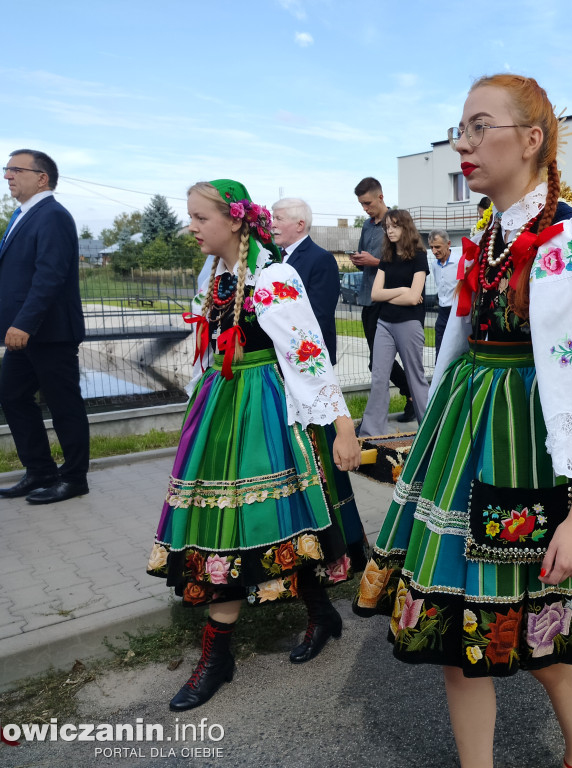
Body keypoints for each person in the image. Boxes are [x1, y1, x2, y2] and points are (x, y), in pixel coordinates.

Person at [354, 74, 572, 768]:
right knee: (460, 646)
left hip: (534, 451)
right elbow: (460, 346)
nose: (463, 145)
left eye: (478, 127)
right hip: (468, 444)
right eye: (459, 130)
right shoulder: (484, 237)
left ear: (531, 140)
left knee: (543, 643)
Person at [147, 180, 364, 711]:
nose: (191, 227)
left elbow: (308, 355)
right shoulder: (215, 275)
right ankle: (289, 626)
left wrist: (342, 426)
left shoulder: (274, 277)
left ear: (236, 221)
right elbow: (209, 347)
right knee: (251, 522)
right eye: (191, 217)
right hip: (221, 406)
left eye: (200, 217)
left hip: (266, 409)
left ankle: (232, 651)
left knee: (276, 519)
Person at [0, 149, 89, 505]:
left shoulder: (52, 216)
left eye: (15, 169)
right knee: (12, 395)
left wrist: (23, 323)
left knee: (64, 405)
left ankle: (75, 477)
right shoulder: (25, 214)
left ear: (42, 178)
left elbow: (50, 276)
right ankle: (41, 471)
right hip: (26, 333)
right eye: (7, 169)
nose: (7, 176)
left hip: (48, 333)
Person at [358, 210, 430, 436]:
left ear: (405, 228)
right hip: (385, 323)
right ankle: (371, 433)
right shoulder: (386, 258)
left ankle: (428, 429)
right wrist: (401, 290)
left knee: (414, 377)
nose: (389, 230)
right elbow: (375, 295)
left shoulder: (419, 256)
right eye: (387, 227)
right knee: (379, 377)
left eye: (394, 226)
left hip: (409, 323)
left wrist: (401, 294)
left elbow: (413, 298)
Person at [351, 178, 415, 423]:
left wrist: (375, 262)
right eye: (361, 204)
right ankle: (411, 395)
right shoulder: (367, 226)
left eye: (367, 203)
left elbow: (407, 261)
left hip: (388, 300)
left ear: (380, 197)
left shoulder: (397, 223)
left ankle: (411, 396)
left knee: (377, 362)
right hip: (367, 299)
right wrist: (360, 261)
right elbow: (365, 257)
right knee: (376, 362)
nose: (365, 208)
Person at [272, 197, 340, 364]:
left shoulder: (321, 259)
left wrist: (298, 354)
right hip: (281, 352)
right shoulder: (276, 258)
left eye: (279, 219)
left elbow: (320, 316)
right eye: (273, 219)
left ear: (300, 225)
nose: (272, 224)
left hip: (306, 356)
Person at [428, 228, 458, 354]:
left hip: (456, 312)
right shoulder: (435, 265)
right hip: (442, 312)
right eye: (431, 247)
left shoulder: (459, 262)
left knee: (456, 349)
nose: (434, 251)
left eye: (437, 247)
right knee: (440, 349)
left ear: (448, 244)